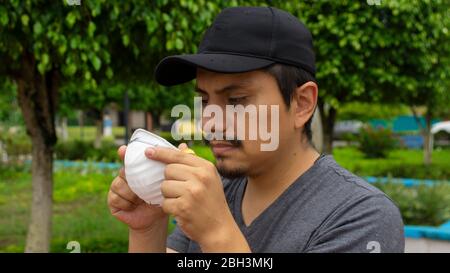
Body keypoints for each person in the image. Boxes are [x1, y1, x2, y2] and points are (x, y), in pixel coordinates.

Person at [107, 6, 404, 253]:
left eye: (236, 100)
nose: (211, 122)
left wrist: (217, 233)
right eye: (204, 100)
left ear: (302, 103)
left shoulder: (360, 217)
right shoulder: (216, 193)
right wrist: (149, 228)